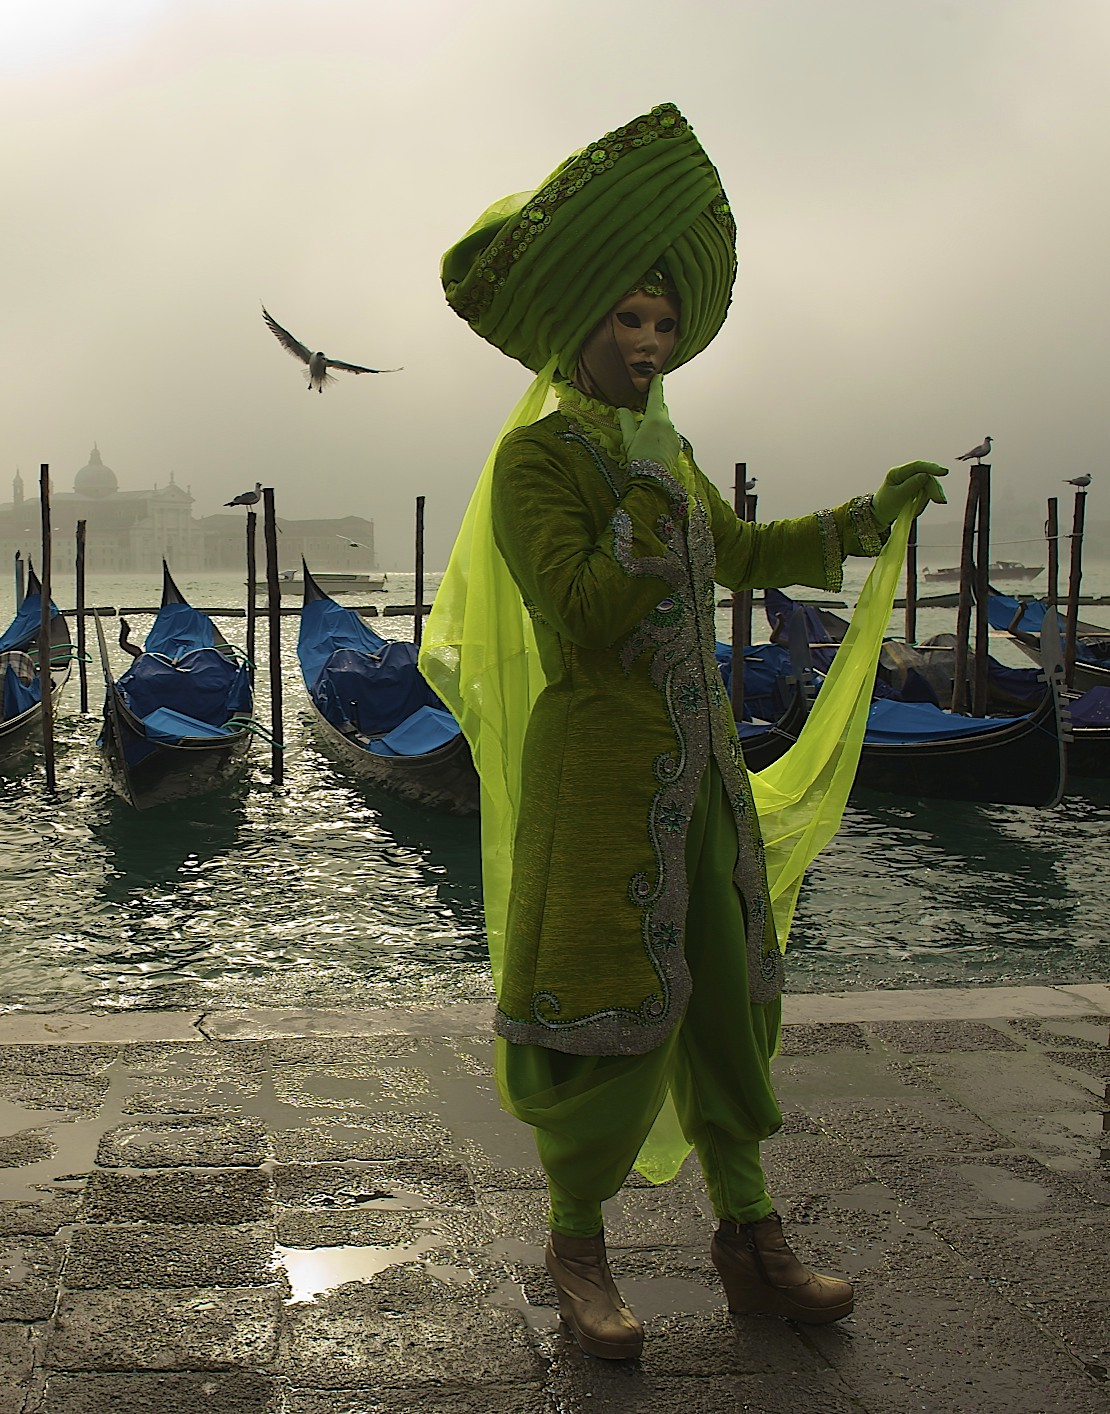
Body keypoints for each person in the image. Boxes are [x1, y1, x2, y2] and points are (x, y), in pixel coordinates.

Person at [419, 103, 946, 1361]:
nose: (651, 344)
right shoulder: (538, 464)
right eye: (630, 321)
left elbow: (745, 550)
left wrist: (862, 517)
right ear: (585, 326)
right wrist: (647, 523)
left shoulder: (671, 448)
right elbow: (585, 614)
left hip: (702, 773)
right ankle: (577, 1248)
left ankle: (753, 1244)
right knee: (599, 1014)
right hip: (598, 781)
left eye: (664, 324)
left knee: (727, 1002)